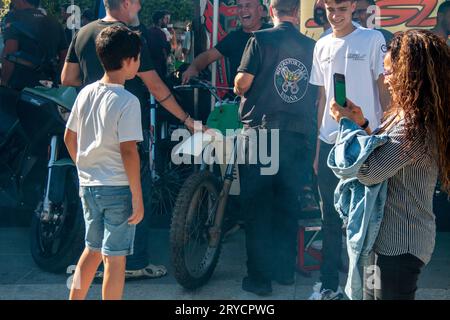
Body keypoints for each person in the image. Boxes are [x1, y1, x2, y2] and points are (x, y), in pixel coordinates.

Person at [62, 0, 200, 281]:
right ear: (125, 3)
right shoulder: (129, 40)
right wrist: (188, 120)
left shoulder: (84, 32)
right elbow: (156, 86)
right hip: (124, 126)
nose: (139, 4)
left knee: (93, 216)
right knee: (135, 195)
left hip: (90, 130)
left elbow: (68, 77)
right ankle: (133, 262)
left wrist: (95, 89)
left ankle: (91, 266)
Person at [330, 29, 450, 300]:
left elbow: (369, 172)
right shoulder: (405, 116)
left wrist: (347, 126)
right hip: (381, 242)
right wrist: (362, 124)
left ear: (412, 73)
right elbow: (382, 157)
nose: (386, 80)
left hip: (399, 246)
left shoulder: (414, 126)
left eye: (392, 72)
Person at [234, 0, 317, 296]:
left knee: (257, 209)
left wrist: (236, 83)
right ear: (296, 12)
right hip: (298, 136)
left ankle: (259, 280)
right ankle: (284, 271)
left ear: (271, 11)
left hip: (261, 134)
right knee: (287, 204)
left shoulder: (260, 39)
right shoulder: (312, 46)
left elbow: (243, 83)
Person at [308, 0, 390, 300]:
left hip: (368, 143)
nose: (335, 15)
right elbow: (321, 98)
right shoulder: (321, 45)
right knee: (330, 220)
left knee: (372, 225)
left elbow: (384, 89)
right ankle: (328, 286)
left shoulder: (372, 39)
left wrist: (386, 135)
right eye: (330, 8)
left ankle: (371, 291)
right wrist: (318, 149)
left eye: (341, 8)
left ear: (353, 6)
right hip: (332, 145)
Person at [65, 25, 144, 300]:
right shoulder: (128, 101)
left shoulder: (85, 93)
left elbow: (68, 137)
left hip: (89, 186)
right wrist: (137, 195)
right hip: (118, 187)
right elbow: (129, 152)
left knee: (91, 250)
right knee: (115, 260)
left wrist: (83, 167)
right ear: (129, 61)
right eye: (138, 58)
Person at [182, 0, 271, 85]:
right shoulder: (233, 38)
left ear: (260, 11)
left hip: (268, 99)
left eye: (248, 6)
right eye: (240, 6)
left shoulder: (273, 33)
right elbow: (208, 56)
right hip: (238, 98)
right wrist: (194, 67)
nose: (243, 10)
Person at [1, 0, 68, 89]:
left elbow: (10, 53)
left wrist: (4, 83)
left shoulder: (14, 17)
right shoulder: (54, 22)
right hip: (47, 85)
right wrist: (56, 77)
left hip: (19, 86)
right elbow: (65, 55)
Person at [147, 10, 172, 79]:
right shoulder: (161, 33)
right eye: (165, 19)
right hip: (160, 65)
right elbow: (165, 49)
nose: (166, 21)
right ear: (160, 20)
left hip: (149, 65)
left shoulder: (148, 32)